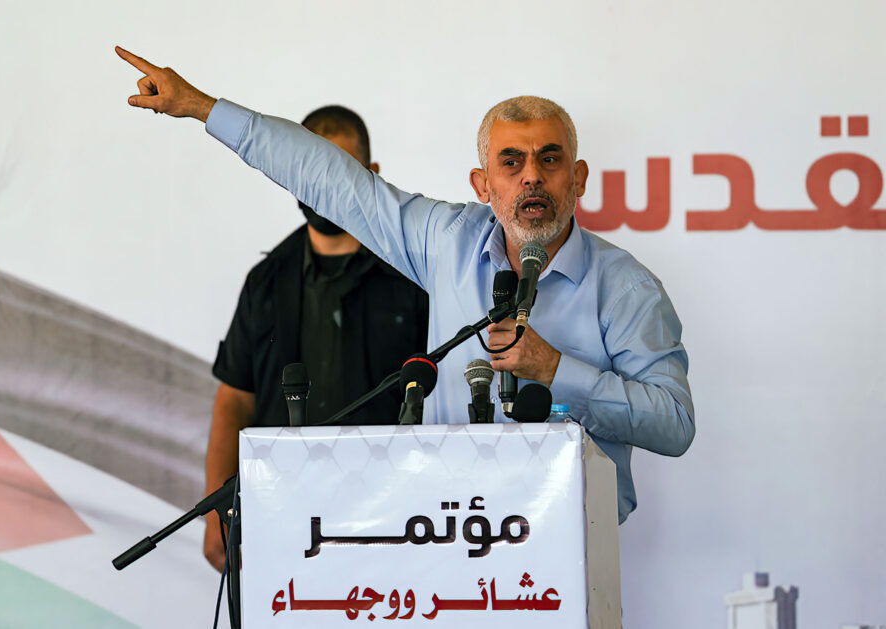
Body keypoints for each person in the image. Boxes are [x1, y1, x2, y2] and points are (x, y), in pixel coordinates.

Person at [115, 46, 695, 529]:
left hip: (567, 542)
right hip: (442, 533)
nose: (531, 177)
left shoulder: (626, 287)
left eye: (550, 159)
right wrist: (202, 107)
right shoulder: (446, 242)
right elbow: (330, 178)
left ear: (579, 177)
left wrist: (555, 370)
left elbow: (673, 423)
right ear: (483, 185)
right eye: (511, 162)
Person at [201, 105, 429, 571]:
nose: (323, 185)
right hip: (282, 520)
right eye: (310, 169)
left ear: (371, 173)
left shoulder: (417, 276)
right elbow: (235, 399)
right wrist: (214, 512)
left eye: (338, 169)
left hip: (398, 521)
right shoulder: (266, 281)